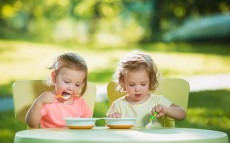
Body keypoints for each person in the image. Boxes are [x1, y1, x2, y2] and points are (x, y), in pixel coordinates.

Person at [106, 50, 186, 128]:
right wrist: (113, 121)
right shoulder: (118, 105)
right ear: (123, 83)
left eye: (143, 84)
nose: (137, 89)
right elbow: (107, 128)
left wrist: (166, 110)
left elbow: (182, 114)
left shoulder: (157, 101)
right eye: (132, 85)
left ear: (150, 81)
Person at [26, 53, 92, 128]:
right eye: (67, 82)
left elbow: (88, 124)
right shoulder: (47, 101)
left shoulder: (80, 103)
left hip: (74, 139)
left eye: (77, 85)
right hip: (50, 139)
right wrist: (38, 103)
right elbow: (31, 123)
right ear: (54, 77)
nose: (71, 88)